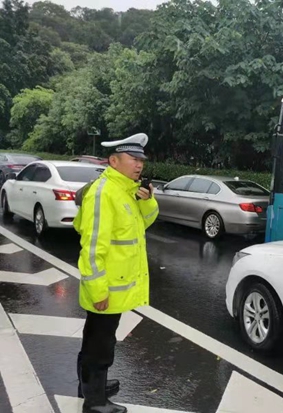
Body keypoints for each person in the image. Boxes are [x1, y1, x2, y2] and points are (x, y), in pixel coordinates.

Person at [73, 133, 159, 413]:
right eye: (133, 159)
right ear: (114, 160)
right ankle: (95, 402)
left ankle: (90, 385)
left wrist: (146, 200)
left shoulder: (125, 190)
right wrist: (98, 290)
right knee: (101, 343)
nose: (139, 165)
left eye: (141, 160)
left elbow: (140, 226)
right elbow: (92, 246)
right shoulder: (104, 192)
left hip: (116, 285)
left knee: (98, 337)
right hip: (106, 287)